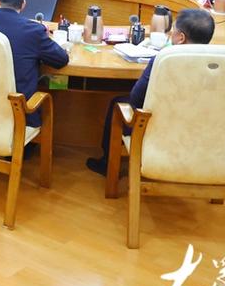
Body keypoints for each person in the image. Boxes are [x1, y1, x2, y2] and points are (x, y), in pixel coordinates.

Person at [86, 9, 215, 175]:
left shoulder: (163, 60)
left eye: (173, 30)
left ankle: (107, 164)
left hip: (159, 128)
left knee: (118, 103)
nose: (171, 34)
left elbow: (136, 98)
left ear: (181, 38)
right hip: (199, 127)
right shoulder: (216, 64)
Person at [0, 0, 69, 127]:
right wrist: (46, 38)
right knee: (54, 85)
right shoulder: (34, 31)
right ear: (23, 4)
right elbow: (61, 60)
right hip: (19, 116)